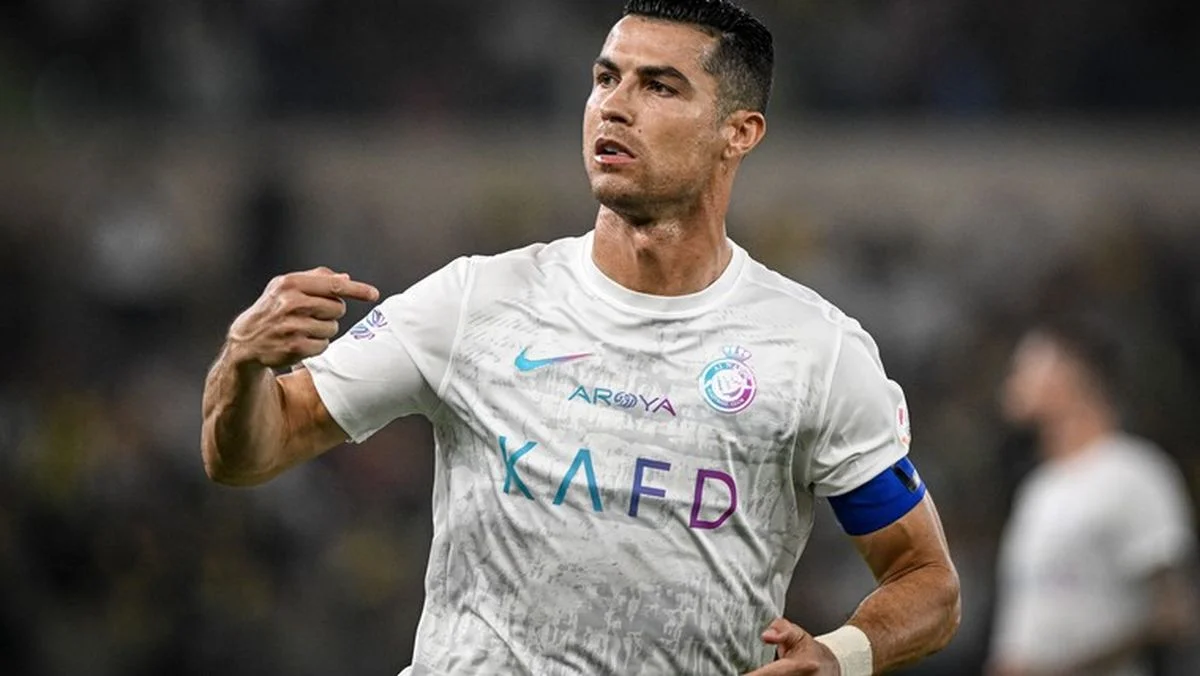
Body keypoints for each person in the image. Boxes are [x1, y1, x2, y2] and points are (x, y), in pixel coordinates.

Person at [201, 1, 960, 673]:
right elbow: (248, 455)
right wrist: (243, 365)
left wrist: (843, 656)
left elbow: (927, 582)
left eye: (659, 87)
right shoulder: (474, 301)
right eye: (605, 78)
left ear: (739, 132)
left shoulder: (814, 351)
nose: (614, 107)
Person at [988, 316, 1198, 676]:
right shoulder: (1038, 490)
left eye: (1026, 367)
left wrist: (1062, 668)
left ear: (1071, 374)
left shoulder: (1135, 474)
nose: (1013, 381)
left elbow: (1175, 612)